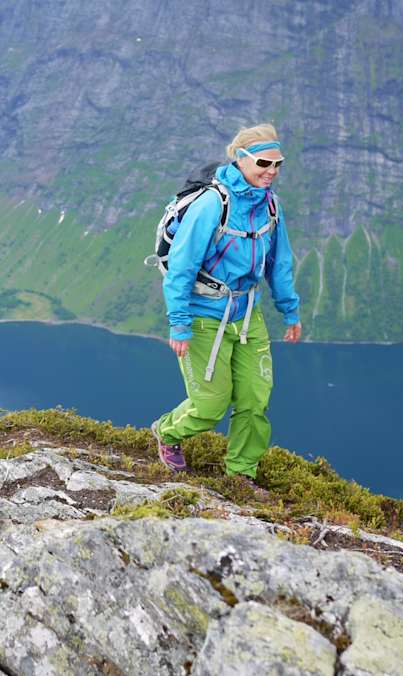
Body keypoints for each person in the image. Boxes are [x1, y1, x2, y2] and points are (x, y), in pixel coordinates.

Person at [151, 123, 302, 494]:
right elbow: (182, 269)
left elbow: (279, 263)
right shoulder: (211, 205)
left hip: (248, 315)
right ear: (241, 159)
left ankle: (241, 472)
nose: (272, 171)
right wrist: (180, 323)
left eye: (278, 164)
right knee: (211, 404)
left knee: (254, 399)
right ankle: (167, 432)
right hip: (205, 315)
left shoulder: (271, 206)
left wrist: (290, 311)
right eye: (265, 162)